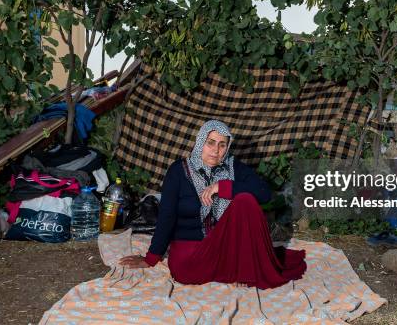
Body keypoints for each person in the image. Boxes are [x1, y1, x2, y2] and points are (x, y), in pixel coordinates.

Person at [118, 120, 307, 289]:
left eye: (222, 145)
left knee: (245, 200)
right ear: (200, 142)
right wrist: (152, 257)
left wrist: (223, 186)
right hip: (193, 255)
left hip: (226, 247)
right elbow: (167, 216)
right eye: (211, 142)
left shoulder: (233, 167)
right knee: (184, 272)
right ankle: (236, 269)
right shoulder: (179, 171)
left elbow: (264, 194)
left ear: (228, 147)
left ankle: (241, 269)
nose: (216, 150)